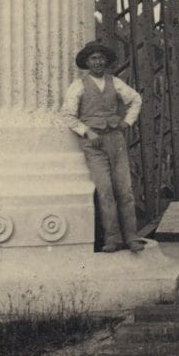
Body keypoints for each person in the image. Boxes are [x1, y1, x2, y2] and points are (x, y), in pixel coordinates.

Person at [61, 41, 148, 254]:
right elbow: (67, 114)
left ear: (106, 61)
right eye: (93, 59)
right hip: (94, 145)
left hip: (116, 141)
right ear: (87, 63)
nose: (97, 62)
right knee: (105, 190)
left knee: (125, 190)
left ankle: (132, 237)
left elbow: (136, 99)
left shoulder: (115, 82)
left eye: (100, 58)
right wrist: (88, 132)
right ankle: (112, 238)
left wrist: (126, 122)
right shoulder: (79, 85)